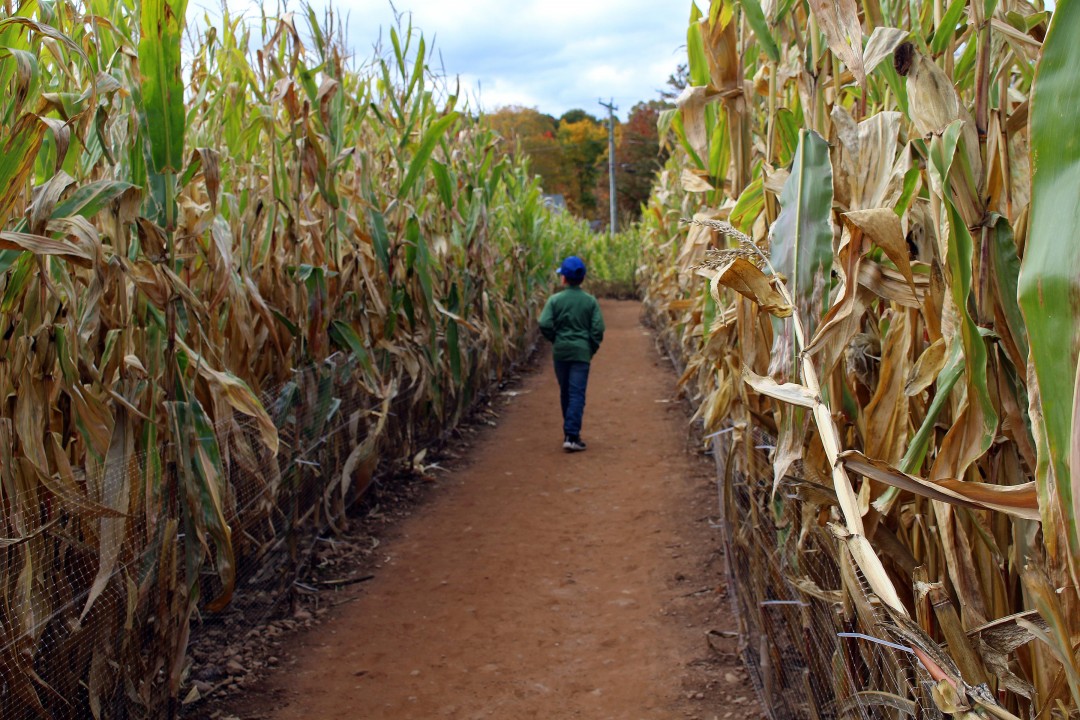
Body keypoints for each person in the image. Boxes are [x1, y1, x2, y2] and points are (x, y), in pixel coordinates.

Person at [538, 256, 605, 452]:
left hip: (561, 351)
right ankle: (572, 435)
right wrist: (590, 346)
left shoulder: (555, 300)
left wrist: (555, 339)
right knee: (577, 393)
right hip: (581, 353)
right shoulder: (590, 301)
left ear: (563, 279)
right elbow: (598, 329)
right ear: (582, 279)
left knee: (566, 391)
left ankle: (569, 431)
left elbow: (544, 323)